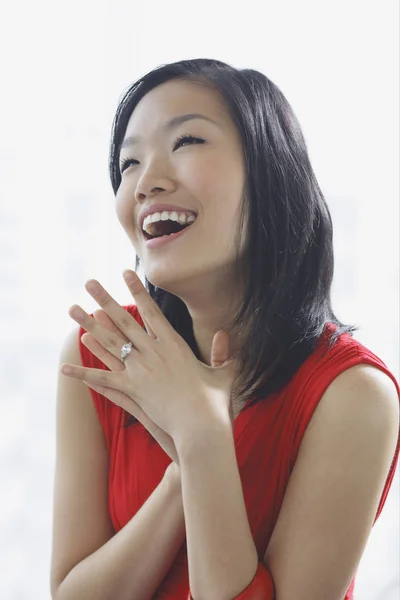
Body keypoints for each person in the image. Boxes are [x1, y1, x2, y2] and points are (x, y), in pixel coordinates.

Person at [50, 58, 400, 600]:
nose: (147, 182)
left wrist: (206, 440)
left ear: (270, 175)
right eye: (128, 163)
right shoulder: (99, 352)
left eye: (187, 140)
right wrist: (183, 468)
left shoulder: (353, 396)